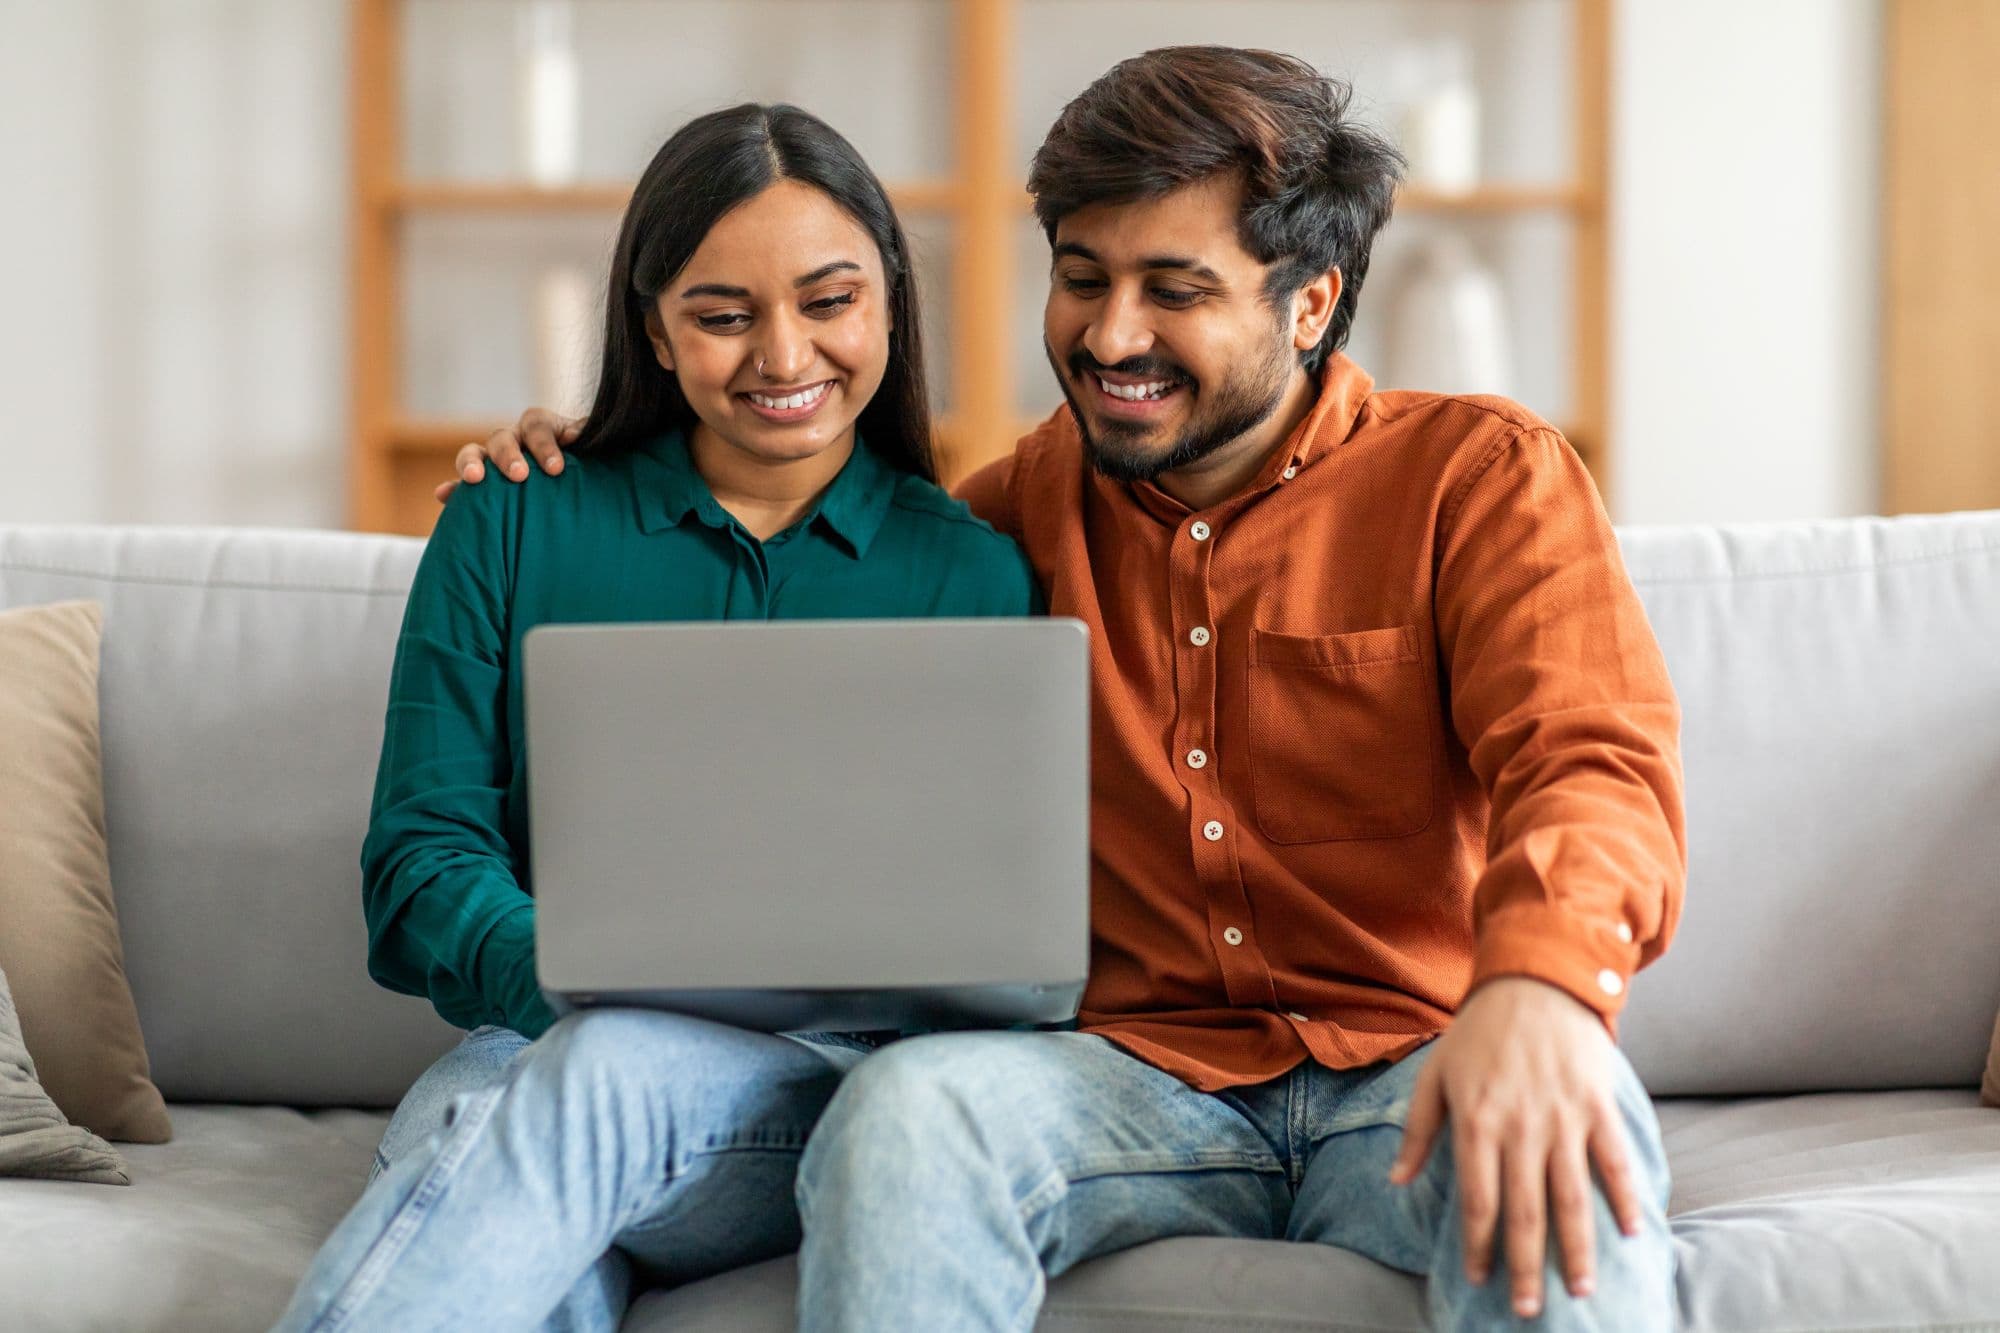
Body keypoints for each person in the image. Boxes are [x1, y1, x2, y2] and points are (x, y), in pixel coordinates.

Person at [453, 46, 1686, 1333]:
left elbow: (1588, 764)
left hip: (1412, 1062)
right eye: (1081, 278)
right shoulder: (995, 528)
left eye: (1174, 290)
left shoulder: (1476, 479)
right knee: (905, 1112)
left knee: (1571, 1136)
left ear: (1308, 304)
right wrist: (587, 464)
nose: (1109, 336)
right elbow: (777, 576)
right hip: (1115, 1080)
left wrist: (1542, 988)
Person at [273, 103, 1035, 1332]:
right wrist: (580, 982)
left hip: (819, 1095)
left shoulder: (974, 575)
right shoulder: (513, 514)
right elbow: (419, 859)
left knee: (569, 1093)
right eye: (723, 316)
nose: (782, 355)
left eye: (829, 302)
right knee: (540, 1215)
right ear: (654, 329)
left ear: (891, 303)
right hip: (527, 1054)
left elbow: (994, 924)